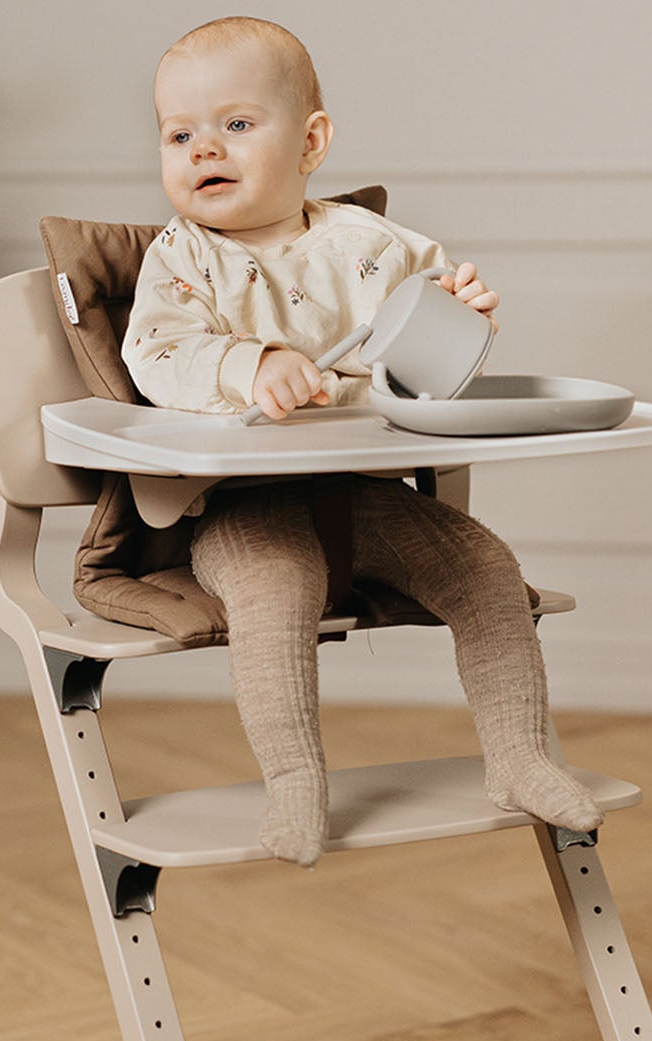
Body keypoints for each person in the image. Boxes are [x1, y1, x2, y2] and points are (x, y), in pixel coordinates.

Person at [123, 16, 602, 866]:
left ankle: (520, 757)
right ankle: (295, 780)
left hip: (367, 494)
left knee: (486, 569)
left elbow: (422, 376)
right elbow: (155, 357)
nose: (204, 150)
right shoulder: (180, 260)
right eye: (179, 134)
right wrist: (248, 360)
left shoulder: (378, 250)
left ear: (311, 142)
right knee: (274, 592)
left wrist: (459, 316)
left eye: (235, 125)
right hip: (244, 509)